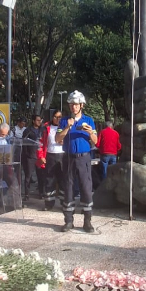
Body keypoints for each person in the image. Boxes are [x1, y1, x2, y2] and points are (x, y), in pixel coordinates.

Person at [56, 91, 97, 233]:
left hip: (84, 158)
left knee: (86, 188)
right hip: (68, 158)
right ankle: (68, 221)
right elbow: (57, 139)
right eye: (72, 104)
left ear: (81, 105)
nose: (74, 107)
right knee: (68, 188)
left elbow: (96, 141)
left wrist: (91, 132)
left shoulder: (89, 120)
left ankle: (87, 222)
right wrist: (67, 127)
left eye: (76, 104)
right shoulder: (64, 120)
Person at [38, 110, 65, 210]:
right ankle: (49, 204)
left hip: (63, 156)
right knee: (49, 180)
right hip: (50, 156)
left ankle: (64, 203)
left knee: (63, 180)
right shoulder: (45, 128)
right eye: (56, 117)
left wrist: (65, 142)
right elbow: (40, 143)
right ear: (52, 117)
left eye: (60, 117)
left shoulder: (66, 127)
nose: (58, 119)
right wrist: (41, 156)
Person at [22, 115, 43, 200]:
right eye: (37, 120)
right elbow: (24, 142)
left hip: (40, 156)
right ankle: (27, 194)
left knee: (40, 175)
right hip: (30, 156)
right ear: (33, 121)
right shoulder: (28, 130)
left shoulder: (42, 130)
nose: (39, 122)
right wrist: (27, 154)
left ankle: (41, 193)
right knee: (28, 176)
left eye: (40, 120)